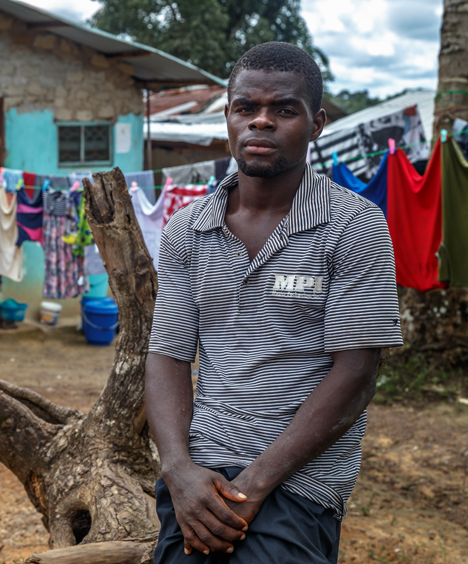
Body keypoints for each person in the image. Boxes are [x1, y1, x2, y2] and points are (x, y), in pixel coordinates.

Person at [145, 42, 403, 563]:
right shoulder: (188, 229)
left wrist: (257, 484)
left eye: (284, 110)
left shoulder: (353, 226)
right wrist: (177, 468)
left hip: (301, 481)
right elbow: (168, 356)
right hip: (199, 474)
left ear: (316, 124)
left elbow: (357, 370)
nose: (261, 123)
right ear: (228, 117)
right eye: (246, 108)